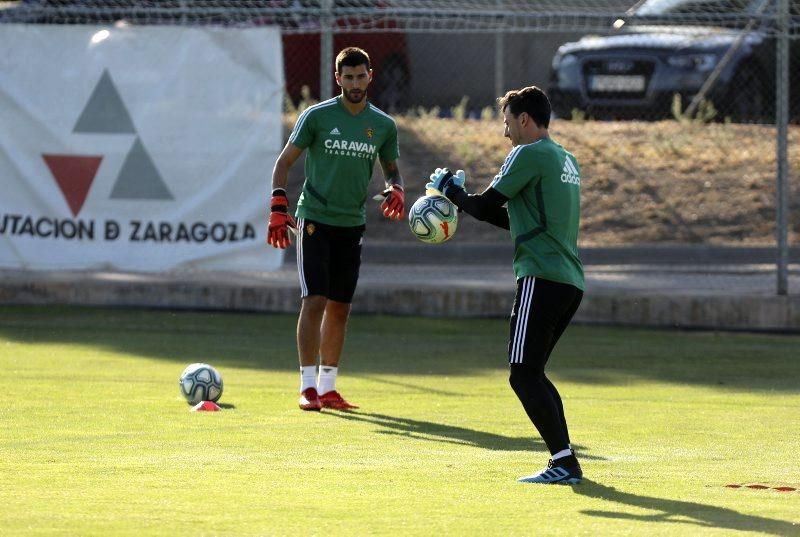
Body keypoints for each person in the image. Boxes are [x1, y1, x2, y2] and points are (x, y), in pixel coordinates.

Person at [427, 86, 585, 484]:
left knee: (523, 374)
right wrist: (461, 200)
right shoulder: (566, 159)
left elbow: (484, 205)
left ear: (525, 120)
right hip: (568, 281)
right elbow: (512, 219)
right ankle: (564, 459)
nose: (505, 133)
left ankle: (564, 462)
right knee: (533, 372)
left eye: (508, 123)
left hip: (541, 276)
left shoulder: (528, 153)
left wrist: (451, 191)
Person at [267, 47, 405, 411]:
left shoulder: (384, 125)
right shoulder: (317, 116)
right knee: (314, 300)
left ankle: (329, 387)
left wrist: (397, 188)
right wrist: (278, 206)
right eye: (349, 77)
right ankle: (307, 387)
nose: (356, 83)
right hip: (314, 218)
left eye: (362, 76)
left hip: (352, 224)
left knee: (340, 307)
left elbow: (391, 169)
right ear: (338, 78)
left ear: (370, 76)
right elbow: (284, 163)